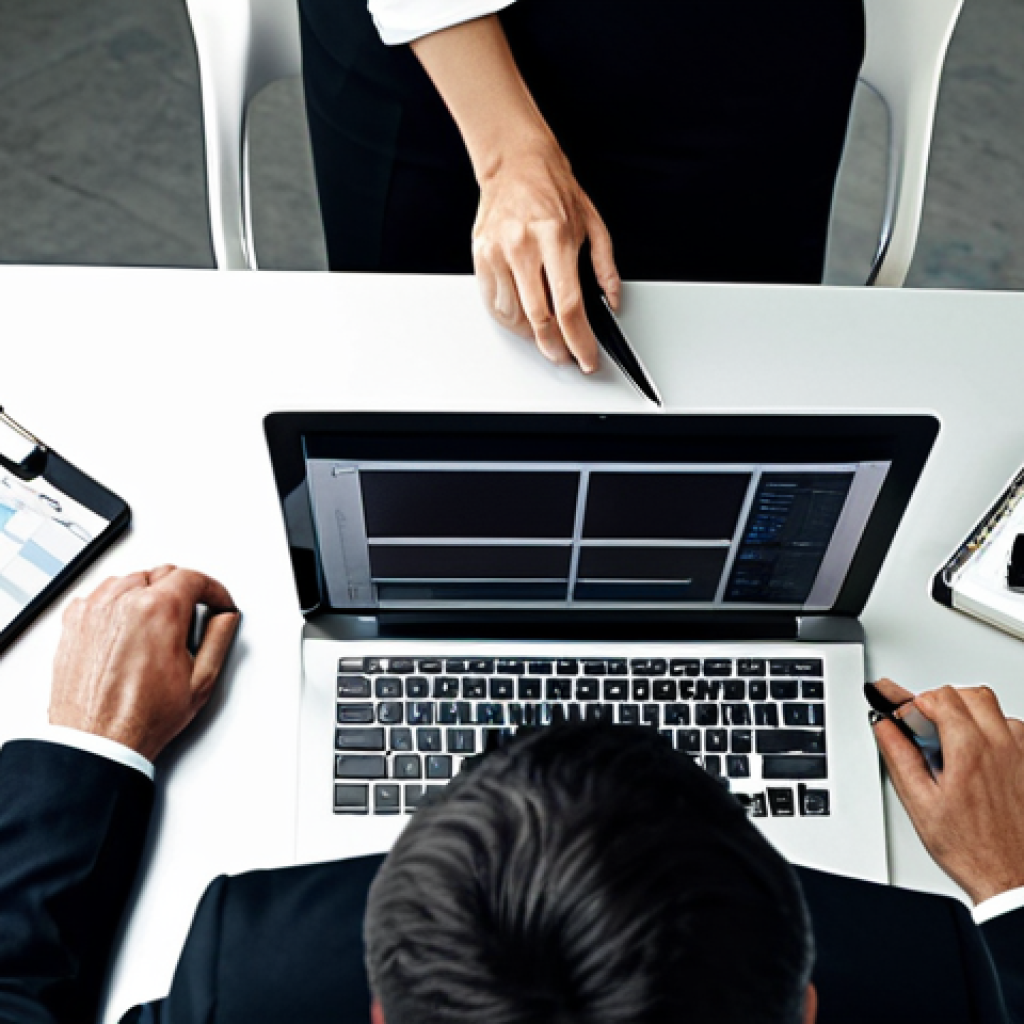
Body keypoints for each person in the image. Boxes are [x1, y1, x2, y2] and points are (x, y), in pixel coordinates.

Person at [0, 567, 1022, 1024]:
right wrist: (1010, 883)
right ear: (804, 1009)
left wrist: (88, 749)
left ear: (377, 1013)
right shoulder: (939, 980)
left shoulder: (253, 972)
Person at [299, 1, 866, 372]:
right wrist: (507, 155)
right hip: (451, 47)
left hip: (745, 45)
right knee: (426, 383)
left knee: (731, 378)